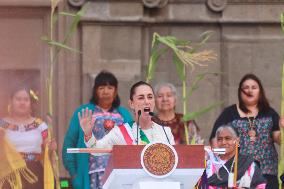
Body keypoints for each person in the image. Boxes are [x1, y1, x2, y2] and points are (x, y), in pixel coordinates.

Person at [209, 73, 283, 189]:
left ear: (260, 91)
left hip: (267, 171)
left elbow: (278, 138)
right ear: (240, 91)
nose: (250, 91)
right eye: (246, 88)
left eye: (254, 87)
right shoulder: (229, 113)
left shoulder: (269, 112)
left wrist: (283, 128)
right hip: (238, 172)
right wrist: (219, 160)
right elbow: (215, 141)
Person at [62, 70, 133, 189]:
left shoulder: (124, 115)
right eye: (101, 87)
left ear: (115, 92)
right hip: (90, 176)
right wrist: (74, 174)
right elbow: (69, 143)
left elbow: (132, 144)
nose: (106, 91)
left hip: (118, 175)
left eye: (110, 87)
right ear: (95, 90)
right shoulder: (84, 112)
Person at [80, 81, 175, 151]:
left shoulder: (165, 132)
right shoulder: (120, 132)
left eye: (150, 97)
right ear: (131, 104)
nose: (147, 101)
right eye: (141, 98)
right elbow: (97, 149)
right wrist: (88, 134)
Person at [0, 86, 56, 189]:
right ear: (11, 101)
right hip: (10, 175)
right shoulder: (1, 124)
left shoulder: (41, 125)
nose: (22, 102)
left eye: (26, 99)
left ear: (30, 103)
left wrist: (51, 149)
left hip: (35, 174)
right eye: (18, 99)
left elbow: (47, 149)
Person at [204, 124, 266, 189]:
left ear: (237, 141)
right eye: (219, 139)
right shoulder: (210, 163)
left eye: (228, 138)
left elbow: (261, 186)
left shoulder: (247, 164)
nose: (223, 142)